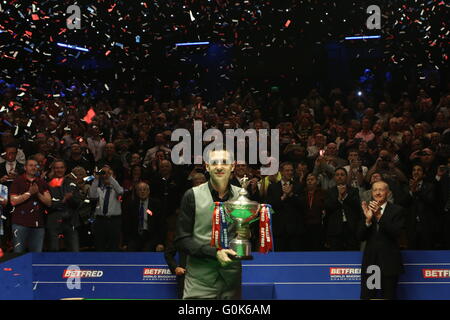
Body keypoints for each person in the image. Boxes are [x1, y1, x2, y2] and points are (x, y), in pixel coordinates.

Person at [175, 149, 243, 299]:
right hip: (200, 280)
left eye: (224, 162)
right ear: (207, 166)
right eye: (214, 163)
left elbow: (242, 232)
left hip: (231, 279)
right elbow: (181, 240)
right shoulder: (191, 195)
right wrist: (215, 252)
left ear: (233, 166)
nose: (219, 167)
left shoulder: (242, 195)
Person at [358, 181, 405, 300]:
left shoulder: (397, 210)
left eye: (381, 190)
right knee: (368, 296)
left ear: (388, 193)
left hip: (389, 263)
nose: (378, 193)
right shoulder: (366, 210)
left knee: (389, 296)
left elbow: (396, 233)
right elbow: (359, 236)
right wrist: (368, 221)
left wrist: (379, 216)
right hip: (371, 264)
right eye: (375, 190)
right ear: (371, 193)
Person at [9, 159, 52, 252]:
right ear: (25, 167)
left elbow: (49, 202)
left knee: (36, 255)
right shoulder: (17, 181)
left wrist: (37, 194)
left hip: (38, 225)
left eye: (35, 166)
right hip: (20, 224)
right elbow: (13, 201)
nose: (33, 167)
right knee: (18, 254)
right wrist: (29, 193)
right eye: (30, 165)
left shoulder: (41, 182)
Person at [46, 160, 82, 251]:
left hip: (71, 221)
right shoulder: (48, 184)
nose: (59, 170)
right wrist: (64, 200)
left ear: (65, 169)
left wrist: (70, 198)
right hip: (54, 220)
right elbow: (49, 205)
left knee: (74, 251)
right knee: (54, 251)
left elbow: (78, 202)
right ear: (53, 169)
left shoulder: (72, 183)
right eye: (57, 168)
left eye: (61, 167)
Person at [267, 162, 303, 251]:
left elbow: (302, 204)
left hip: (294, 230)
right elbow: (269, 206)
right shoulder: (273, 187)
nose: (290, 172)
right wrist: (283, 197)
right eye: (287, 170)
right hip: (279, 229)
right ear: (281, 172)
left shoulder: (298, 185)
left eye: (291, 170)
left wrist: (290, 194)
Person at [324, 167, 362, 251]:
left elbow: (356, 206)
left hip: (351, 228)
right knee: (336, 256)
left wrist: (345, 195)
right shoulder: (329, 192)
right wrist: (339, 198)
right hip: (335, 229)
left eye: (342, 175)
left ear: (346, 176)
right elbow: (328, 207)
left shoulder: (353, 190)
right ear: (334, 177)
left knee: (352, 254)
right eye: (337, 175)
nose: (340, 177)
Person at [88, 165, 124, 251]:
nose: (106, 176)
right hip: (100, 220)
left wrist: (110, 177)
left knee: (114, 246)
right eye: (104, 174)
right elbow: (92, 195)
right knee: (99, 246)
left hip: (114, 220)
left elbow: (120, 191)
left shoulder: (117, 189)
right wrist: (96, 179)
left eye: (109, 174)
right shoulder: (99, 189)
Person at [122, 182, 165, 252]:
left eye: (144, 189)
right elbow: (127, 225)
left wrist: (161, 243)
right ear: (137, 192)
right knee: (130, 248)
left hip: (151, 236)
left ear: (148, 191)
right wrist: (125, 243)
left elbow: (161, 224)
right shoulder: (131, 204)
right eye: (140, 190)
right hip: (136, 236)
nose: (142, 191)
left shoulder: (156, 204)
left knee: (148, 249)